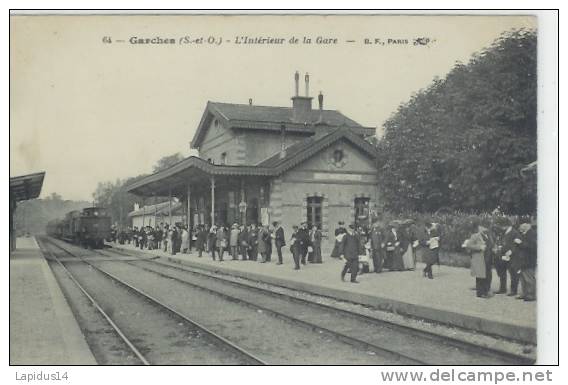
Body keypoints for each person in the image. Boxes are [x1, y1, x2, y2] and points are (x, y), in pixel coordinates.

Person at [463, 219, 490, 298]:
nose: (486, 229)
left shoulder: (487, 235)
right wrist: (479, 247)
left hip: (486, 258)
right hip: (478, 258)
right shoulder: (475, 236)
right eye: (484, 227)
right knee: (480, 276)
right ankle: (480, 293)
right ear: (480, 228)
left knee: (486, 276)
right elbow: (468, 245)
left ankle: (485, 291)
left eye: (486, 228)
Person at [497, 217, 523, 296]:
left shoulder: (515, 233)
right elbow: (501, 241)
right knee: (502, 272)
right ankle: (502, 288)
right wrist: (500, 246)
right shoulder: (503, 232)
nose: (501, 228)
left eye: (502, 226)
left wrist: (511, 251)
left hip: (513, 256)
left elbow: (517, 244)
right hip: (503, 255)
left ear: (507, 225)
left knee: (513, 273)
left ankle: (513, 290)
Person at [517, 222, 537, 301]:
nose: (520, 228)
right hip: (524, 260)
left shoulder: (531, 234)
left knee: (529, 278)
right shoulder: (527, 233)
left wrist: (520, 243)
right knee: (523, 277)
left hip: (529, 260)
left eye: (521, 226)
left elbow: (532, 247)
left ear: (526, 226)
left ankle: (531, 295)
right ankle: (525, 293)